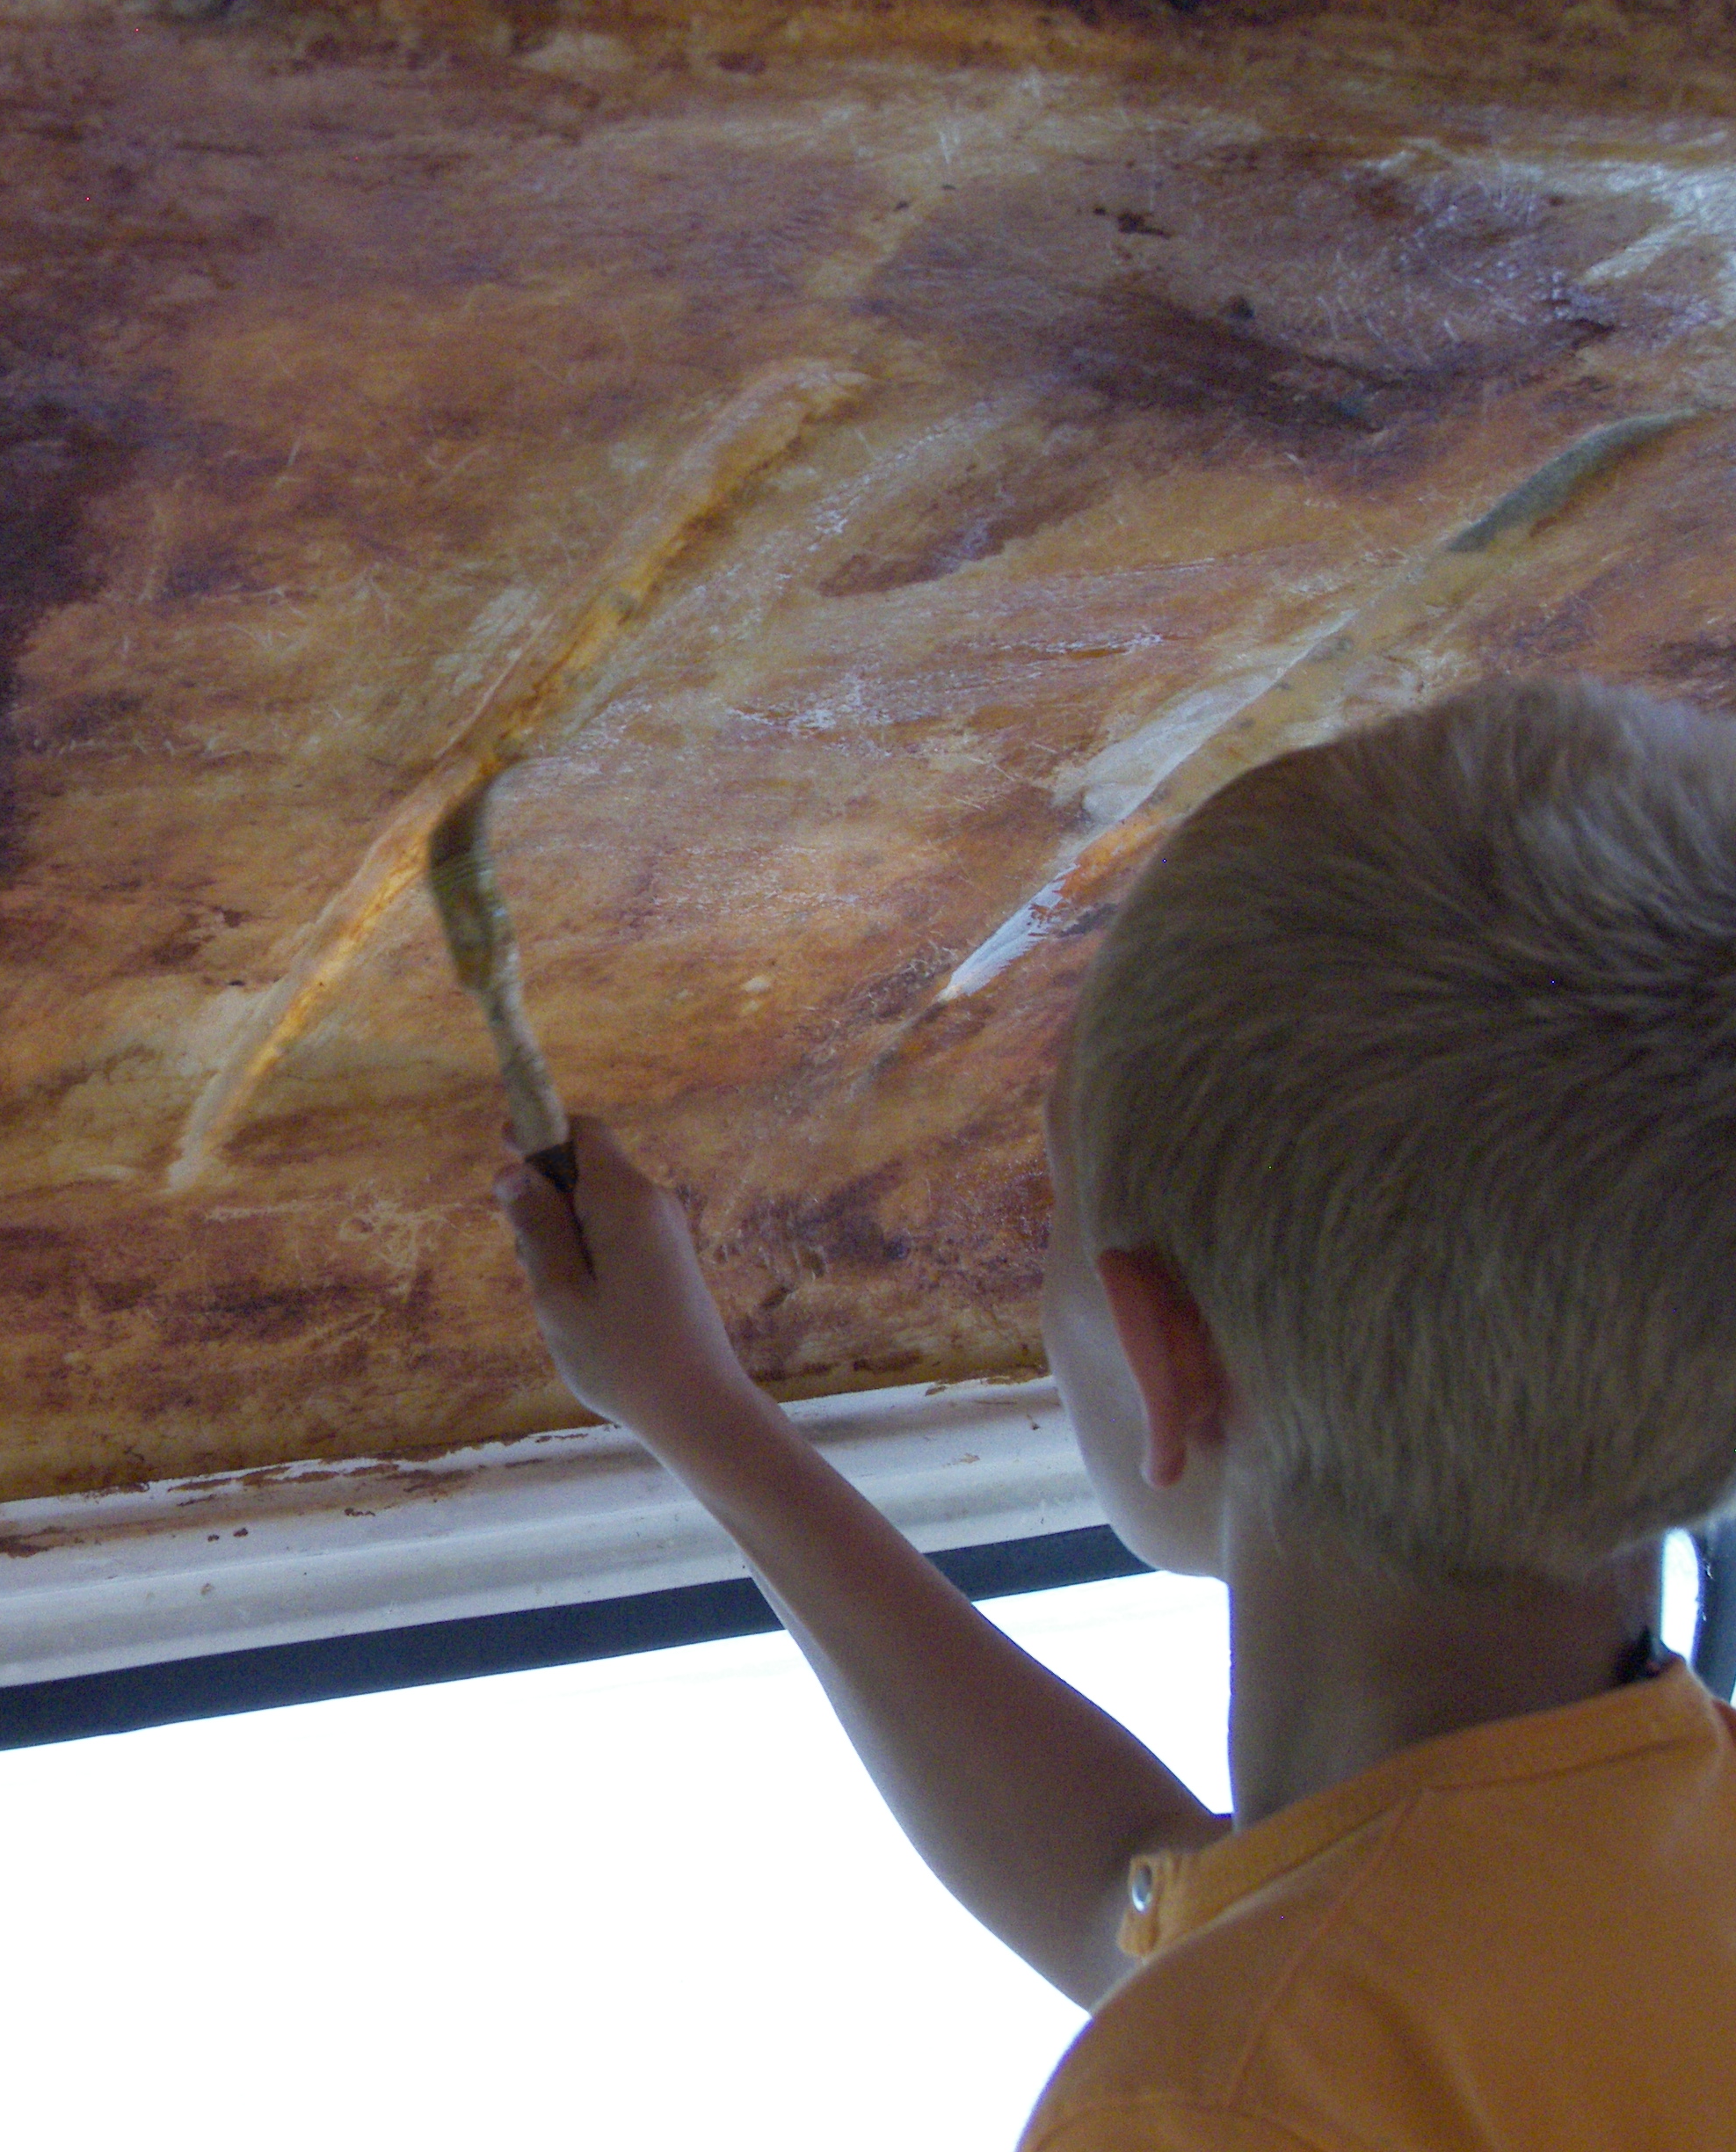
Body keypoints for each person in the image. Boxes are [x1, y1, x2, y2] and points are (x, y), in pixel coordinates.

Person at [493, 677, 1736, 2148]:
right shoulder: (1586, 1886)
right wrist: (699, 1414)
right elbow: (1144, 1902)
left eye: (1055, 1208)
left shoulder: (1209, 2110)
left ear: (1168, 1360)